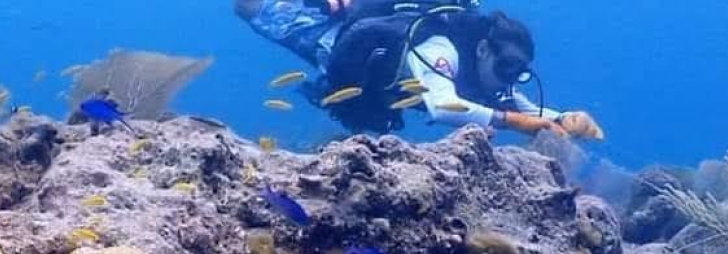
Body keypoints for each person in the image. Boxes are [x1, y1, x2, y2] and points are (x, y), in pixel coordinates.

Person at [236, 0, 604, 139]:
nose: (509, 79)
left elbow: (518, 103)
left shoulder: (486, 70)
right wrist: (515, 122)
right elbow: (442, 106)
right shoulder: (442, 50)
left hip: (380, 77)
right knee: (249, 7)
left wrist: (565, 117)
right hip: (331, 42)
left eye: (518, 72)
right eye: (506, 67)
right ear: (482, 49)